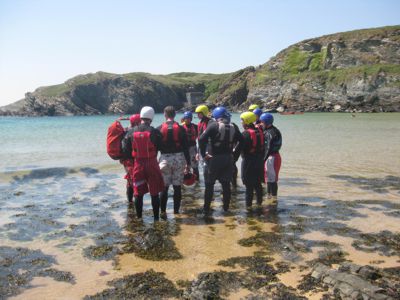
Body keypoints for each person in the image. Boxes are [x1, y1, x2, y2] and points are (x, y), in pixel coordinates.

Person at [122, 106, 164, 221]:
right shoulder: (155, 132)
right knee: (154, 193)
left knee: (138, 193)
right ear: (151, 117)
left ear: (141, 116)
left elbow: (126, 150)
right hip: (152, 164)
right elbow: (161, 147)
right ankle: (156, 219)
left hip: (138, 165)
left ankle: (139, 218)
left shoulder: (130, 132)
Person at [199, 106, 243, 214]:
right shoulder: (234, 126)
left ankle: (206, 209)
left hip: (214, 159)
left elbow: (201, 139)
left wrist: (203, 155)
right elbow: (242, 141)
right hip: (228, 159)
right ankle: (226, 209)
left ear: (216, 116)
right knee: (226, 185)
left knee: (209, 185)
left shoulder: (213, 125)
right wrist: (235, 156)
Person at [158, 106, 191, 216]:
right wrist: (188, 164)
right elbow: (186, 148)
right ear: (175, 115)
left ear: (165, 114)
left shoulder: (159, 128)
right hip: (179, 158)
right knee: (177, 187)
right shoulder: (181, 129)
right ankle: (176, 212)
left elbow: (155, 147)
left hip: (165, 159)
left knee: (164, 187)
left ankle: (163, 212)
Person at [239, 112, 265, 207]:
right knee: (258, 185)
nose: (241, 122)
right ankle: (259, 205)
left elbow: (239, 149)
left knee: (249, 187)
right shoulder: (260, 131)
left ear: (246, 121)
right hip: (259, 161)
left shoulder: (245, 134)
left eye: (242, 120)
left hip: (248, 162)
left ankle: (248, 209)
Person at [260, 113, 282, 201]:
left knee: (272, 180)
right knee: (269, 179)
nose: (260, 124)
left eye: (261, 122)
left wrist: (263, 159)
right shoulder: (274, 130)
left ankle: (274, 198)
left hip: (271, 157)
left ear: (266, 122)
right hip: (274, 156)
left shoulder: (269, 132)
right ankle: (269, 196)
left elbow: (268, 147)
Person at [120, 114, 141, 202]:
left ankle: (130, 201)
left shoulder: (125, 131)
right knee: (135, 181)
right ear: (136, 122)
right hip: (132, 160)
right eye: (139, 122)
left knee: (130, 180)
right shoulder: (134, 132)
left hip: (125, 160)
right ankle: (136, 201)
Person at [181, 111, 200, 181]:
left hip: (193, 148)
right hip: (184, 149)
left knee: (195, 166)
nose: (187, 120)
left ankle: (197, 182)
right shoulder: (181, 127)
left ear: (191, 119)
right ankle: (183, 183)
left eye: (189, 118)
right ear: (184, 118)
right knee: (183, 167)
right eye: (186, 118)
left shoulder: (195, 127)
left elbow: (200, 138)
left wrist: (198, 151)